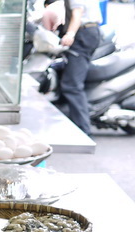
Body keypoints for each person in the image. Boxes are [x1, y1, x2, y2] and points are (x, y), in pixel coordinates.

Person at [58, 0, 102, 135]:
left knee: (72, 85)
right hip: (89, 32)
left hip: (82, 33)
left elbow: (77, 13)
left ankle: (83, 130)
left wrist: (70, 34)